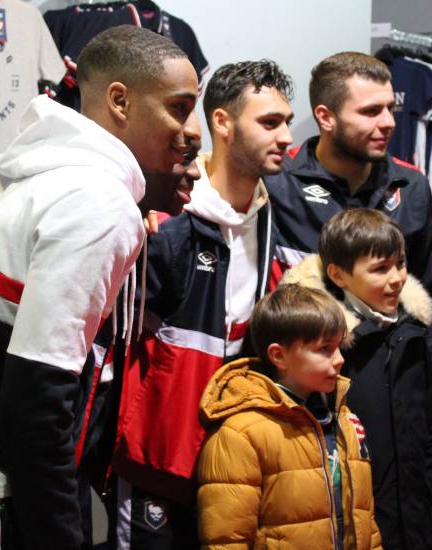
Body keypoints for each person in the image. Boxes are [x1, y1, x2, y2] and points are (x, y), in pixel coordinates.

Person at [0, 25, 202, 550]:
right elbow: (39, 403)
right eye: (180, 107)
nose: (193, 132)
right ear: (119, 100)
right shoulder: (98, 202)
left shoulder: (21, 164)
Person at [107, 59, 294, 549]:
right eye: (270, 123)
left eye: (288, 122)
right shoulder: (168, 217)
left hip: (236, 459)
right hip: (160, 461)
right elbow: (110, 342)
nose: (286, 137)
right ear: (223, 123)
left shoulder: (277, 217)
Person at [265, 51, 432, 431]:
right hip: (303, 396)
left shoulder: (411, 186)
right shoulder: (278, 183)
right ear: (325, 117)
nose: (387, 123)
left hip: (394, 387)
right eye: (370, 112)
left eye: (389, 109)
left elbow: (431, 290)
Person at [280, 208, 432, 550]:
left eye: (401, 264)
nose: (397, 278)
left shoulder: (412, 333)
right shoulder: (322, 351)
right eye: (380, 269)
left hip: (415, 519)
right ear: (338, 275)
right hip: (353, 526)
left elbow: (427, 443)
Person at [197, 284, 382, 550]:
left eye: (339, 346)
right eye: (325, 349)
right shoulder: (241, 433)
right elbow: (227, 540)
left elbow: (365, 520)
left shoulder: (344, 420)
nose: (340, 359)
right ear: (279, 355)